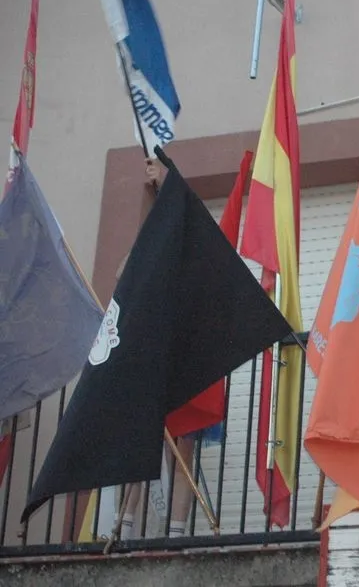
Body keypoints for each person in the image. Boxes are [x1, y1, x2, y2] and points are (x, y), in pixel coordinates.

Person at [117, 159, 201, 539]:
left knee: (184, 447)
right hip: (151, 360)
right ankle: (125, 523)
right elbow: (123, 275)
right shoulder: (153, 255)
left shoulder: (193, 258)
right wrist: (154, 196)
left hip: (185, 357)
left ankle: (178, 531)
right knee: (140, 441)